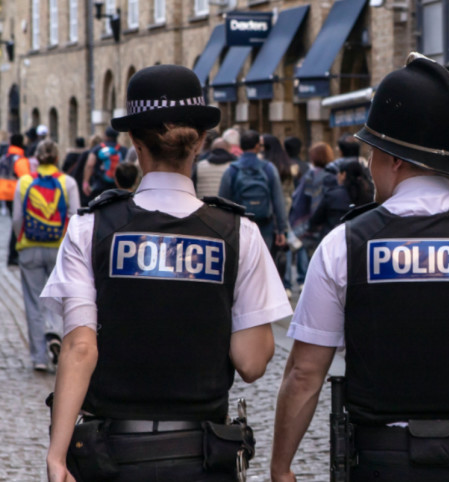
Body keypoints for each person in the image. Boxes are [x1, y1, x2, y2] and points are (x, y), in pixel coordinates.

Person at [270, 53, 449, 482]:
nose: (369, 167)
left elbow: (303, 372)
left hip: (381, 462)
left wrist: (281, 467)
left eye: (372, 153)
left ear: (394, 159)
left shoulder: (344, 246)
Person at [41, 64, 289, 481]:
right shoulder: (237, 233)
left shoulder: (92, 227)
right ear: (200, 142)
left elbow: (80, 349)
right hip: (202, 455)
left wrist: (58, 454)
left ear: (134, 143)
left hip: (114, 455)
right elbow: (251, 362)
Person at [11, 140, 79, 372]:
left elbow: (17, 218)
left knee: (33, 302)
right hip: (59, 249)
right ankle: (56, 334)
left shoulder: (25, 182)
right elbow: (75, 218)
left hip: (30, 247)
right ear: (57, 158)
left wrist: (21, 242)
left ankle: (39, 357)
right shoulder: (68, 182)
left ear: (37, 158)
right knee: (60, 299)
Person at [218, 129, 288, 251]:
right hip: (265, 224)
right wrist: (281, 229)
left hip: (239, 225)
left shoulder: (232, 170)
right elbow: (278, 200)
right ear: (257, 146)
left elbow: (222, 201)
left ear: (240, 146)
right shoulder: (268, 169)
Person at [308, 157, 373, 240]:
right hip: (360, 242)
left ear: (344, 175)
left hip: (333, 241)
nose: (337, 175)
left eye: (339, 172)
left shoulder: (332, 195)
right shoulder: (369, 196)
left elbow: (315, 220)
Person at [1, 133, 30, 268]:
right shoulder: (20, 159)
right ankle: (13, 255)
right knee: (17, 223)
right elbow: (27, 180)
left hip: (4, 194)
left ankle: (13, 255)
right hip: (15, 194)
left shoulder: (5, 157)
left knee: (14, 222)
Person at [82, 126, 127, 201]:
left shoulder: (97, 148)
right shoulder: (123, 150)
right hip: (117, 187)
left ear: (105, 135)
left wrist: (86, 182)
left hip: (99, 186)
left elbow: (90, 165)